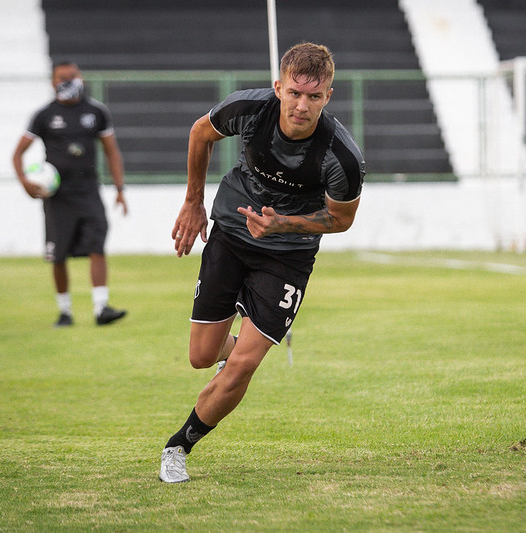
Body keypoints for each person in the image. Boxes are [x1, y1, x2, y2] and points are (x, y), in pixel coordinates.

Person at [159, 42, 365, 483]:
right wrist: (193, 201)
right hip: (231, 233)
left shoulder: (341, 157)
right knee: (201, 356)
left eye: (314, 96)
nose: (301, 105)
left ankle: (179, 445)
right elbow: (200, 133)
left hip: (288, 256)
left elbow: (341, 219)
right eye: (294, 93)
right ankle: (232, 349)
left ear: (328, 96)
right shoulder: (250, 109)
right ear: (278, 88)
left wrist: (283, 224)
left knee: (244, 367)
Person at [12, 61, 128, 328]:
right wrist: (25, 183)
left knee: (96, 246)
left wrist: (120, 189)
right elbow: (17, 153)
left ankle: (102, 308)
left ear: (81, 78)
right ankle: (65, 311)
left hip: (89, 192)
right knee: (58, 254)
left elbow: (111, 151)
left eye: (73, 76)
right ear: (53, 82)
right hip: (58, 197)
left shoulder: (96, 112)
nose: (69, 81)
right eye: (63, 77)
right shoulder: (44, 115)